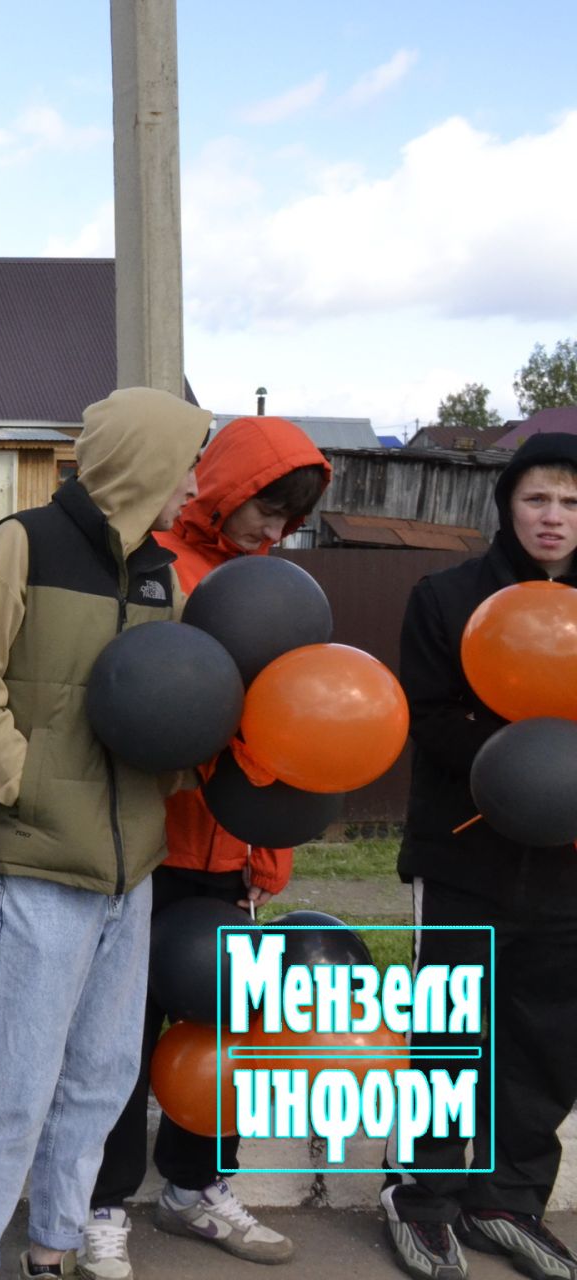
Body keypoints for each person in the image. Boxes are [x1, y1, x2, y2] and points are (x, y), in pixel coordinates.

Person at [0, 386, 210, 1280]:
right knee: (12, 1085)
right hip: (45, 860)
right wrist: (25, 788)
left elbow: (169, 702)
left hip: (134, 865)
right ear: (142, 459)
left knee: (99, 1081)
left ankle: (54, 1247)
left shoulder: (161, 571)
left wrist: (164, 784)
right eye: (185, 460)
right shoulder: (22, 543)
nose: (193, 484)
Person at [79, 415, 330, 1277]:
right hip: (149, 844)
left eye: (290, 516)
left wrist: (268, 857)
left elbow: (291, 729)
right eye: (266, 504)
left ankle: (198, 1189)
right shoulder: (153, 566)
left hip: (231, 858)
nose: (273, 528)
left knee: (232, 1025)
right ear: (223, 485)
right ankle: (99, 1201)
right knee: (118, 1038)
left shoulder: (281, 593)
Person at [381, 430, 577, 1280]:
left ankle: (509, 1197)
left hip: (569, 861)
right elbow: (425, 715)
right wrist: (524, 767)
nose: (555, 517)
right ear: (508, 504)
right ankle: (419, 1198)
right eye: (538, 498)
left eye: (572, 502)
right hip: (466, 853)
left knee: (549, 1032)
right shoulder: (448, 595)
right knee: (453, 1026)